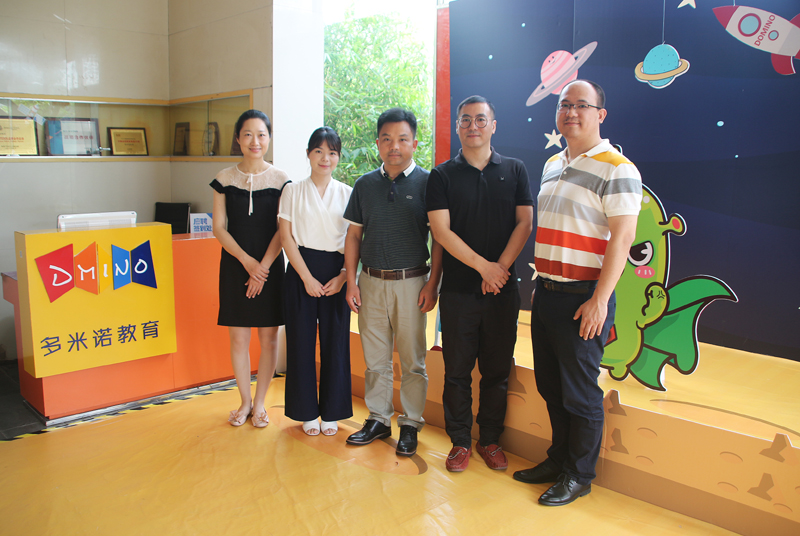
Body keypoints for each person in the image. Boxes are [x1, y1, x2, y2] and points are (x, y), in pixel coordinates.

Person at [514, 80, 642, 506]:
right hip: (549, 293)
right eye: (564, 104)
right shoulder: (553, 164)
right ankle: (559, 459)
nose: (571, 112)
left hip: (584, 297)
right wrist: (543, 287)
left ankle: (579, 475)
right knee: (552, 386)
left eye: (581, 105)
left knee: (581, 392)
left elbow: (623, 238)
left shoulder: (618, 168)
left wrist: (600, 300)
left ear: (600, 114)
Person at [427, 95, 534, 472]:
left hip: (503, 292)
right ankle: (459, 442)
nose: (473, 126)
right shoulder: (442, 175)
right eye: (466, 120)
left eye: (480, 119)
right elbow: (441, 231)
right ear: (457, 126)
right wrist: (484, 269)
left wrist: (499, 269)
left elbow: (525, 222)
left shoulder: (515, 170)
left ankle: (490, 440)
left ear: (493, 125)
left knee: (497, 371)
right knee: (456, 372)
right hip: (458, 292)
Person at [343, 108, 443, 457]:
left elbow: (439, 238)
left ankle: (411, 422)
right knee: (375, 359)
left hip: (412, 282)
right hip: (370, 281)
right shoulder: (364, 185)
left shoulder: (430, 183)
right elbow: (353, 236)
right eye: (387, 139)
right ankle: (378, 419)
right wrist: (351, 282)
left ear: (415, 143)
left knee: (413, 359)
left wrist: (433, 283)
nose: (394, 146)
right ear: (377, 143)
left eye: (402, 139)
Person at [210, 109, 289, 428]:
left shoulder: (282, 180)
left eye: (261, 135)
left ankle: (260, 404)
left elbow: (283, 230)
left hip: (270, 268)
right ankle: (244, 402)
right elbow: (219, 228)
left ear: (269, 138)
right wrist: (247, 262)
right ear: (238, 139)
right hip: (235, 266)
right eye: (248, 134)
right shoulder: (223, 179)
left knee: (269, 340)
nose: (255, 141)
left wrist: (263, 268)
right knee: (238, 339)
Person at [278, 127, 353, 436]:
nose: (325, 158)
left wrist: (344, 276)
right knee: (300, 342)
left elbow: (354, 239)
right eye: (319, 151)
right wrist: (306, 277)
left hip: (337, 271)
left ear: (338, 157)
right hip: (300, 271)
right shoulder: (292, 191)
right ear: (308, 154)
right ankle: (306, 411)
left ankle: (332, 412)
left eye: (332, 152)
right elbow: (286, 238)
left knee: (336, 343)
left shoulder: (348, 193)